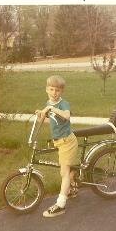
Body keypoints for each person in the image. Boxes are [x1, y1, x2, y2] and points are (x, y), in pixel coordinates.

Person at [35, 75, 78, 218]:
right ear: (46, 89)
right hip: (59, 141)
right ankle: (72, 188)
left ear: (62, 92)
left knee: (64, 173)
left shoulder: (63, 104)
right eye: (52, 89)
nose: (54, 93)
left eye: (58, 90)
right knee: (64, 172)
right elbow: (51, 121)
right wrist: (41, 115)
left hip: (67, 141)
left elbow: (66, 116)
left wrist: (51, 108)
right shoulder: (49, 103)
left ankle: (60, 205)